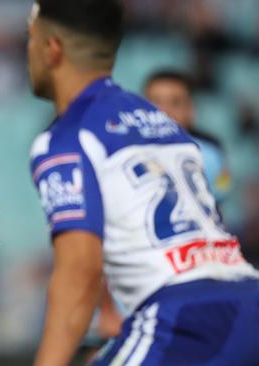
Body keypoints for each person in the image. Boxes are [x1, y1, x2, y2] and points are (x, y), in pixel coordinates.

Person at [25, 1, 259, 365]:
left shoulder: (65, 138)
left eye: (30, 40)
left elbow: (79, 274)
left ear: (51, 48)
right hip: (247, 299)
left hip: (183, 316)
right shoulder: (165, 126)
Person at [144, 70, 231, 205]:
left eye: (175, 103)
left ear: (190, 110)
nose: (164, 111)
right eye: (155, 102)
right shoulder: (123, 152)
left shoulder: (209, 157)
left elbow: (217, 205)